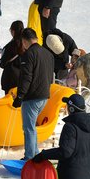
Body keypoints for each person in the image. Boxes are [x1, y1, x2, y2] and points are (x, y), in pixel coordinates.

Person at [12, 28, 54, 160]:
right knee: (32, 127)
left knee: (29, 128)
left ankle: (29, 157)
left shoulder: (28, 54)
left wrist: (20, 96)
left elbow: (26, 77)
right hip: (44, 96)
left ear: (24, 41)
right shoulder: (48, 54)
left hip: (32, 97)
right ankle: (35, 154)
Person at [0, 20, 24, 95]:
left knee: (9, 102)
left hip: (10, 78)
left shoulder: (9, 47)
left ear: (13, 31)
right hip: (23, 79)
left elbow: (2, 64)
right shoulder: (27, 45)